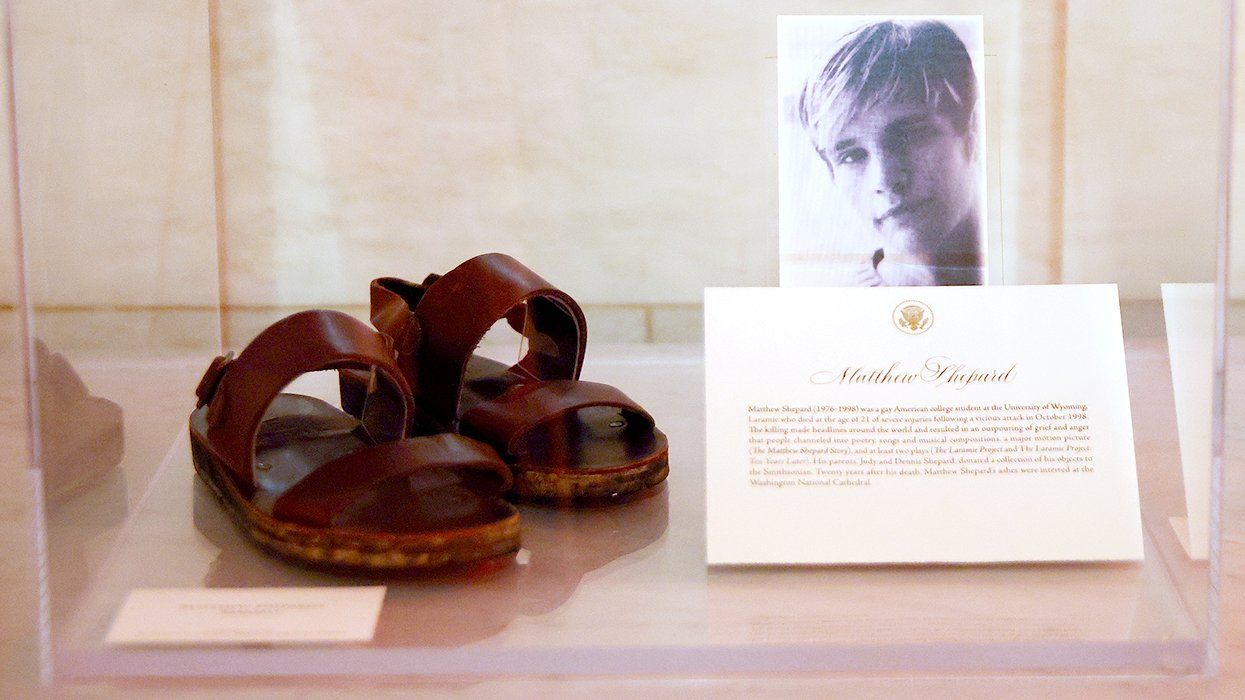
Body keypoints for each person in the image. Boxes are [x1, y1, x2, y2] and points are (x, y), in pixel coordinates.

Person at [798, 20, 983, 286]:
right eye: (851, 156)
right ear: (831, 173)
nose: (885, 180)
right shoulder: (829, 311)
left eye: (909, 135)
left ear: (972, 132)